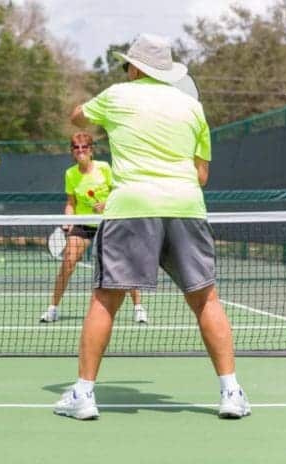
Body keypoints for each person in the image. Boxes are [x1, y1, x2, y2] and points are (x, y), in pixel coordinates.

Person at [53, 33, 250, 420]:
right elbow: (202, 174)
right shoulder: (193, 108)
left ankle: (83, 395)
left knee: (106, 299)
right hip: (186, 206)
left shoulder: (117, 96)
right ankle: (231, 392)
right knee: (206, 299)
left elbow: (77, 117)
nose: (125, 70)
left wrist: (93, 117)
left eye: (127, 65)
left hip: (132, 208)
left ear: (137, 67)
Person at [40, 132, 146, 324]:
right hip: (83, 224)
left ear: (91, 150)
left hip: (109, 222)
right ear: (72, 151)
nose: (80, 151)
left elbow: (120, 192)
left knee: (123, 264)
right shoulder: (70, 174)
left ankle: (138, 308)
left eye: (84, 147)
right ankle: (53, 308)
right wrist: (67, 219)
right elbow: (71, 202)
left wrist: (106, 203)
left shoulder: (104, 168)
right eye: (76, 148)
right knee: (69, 260)